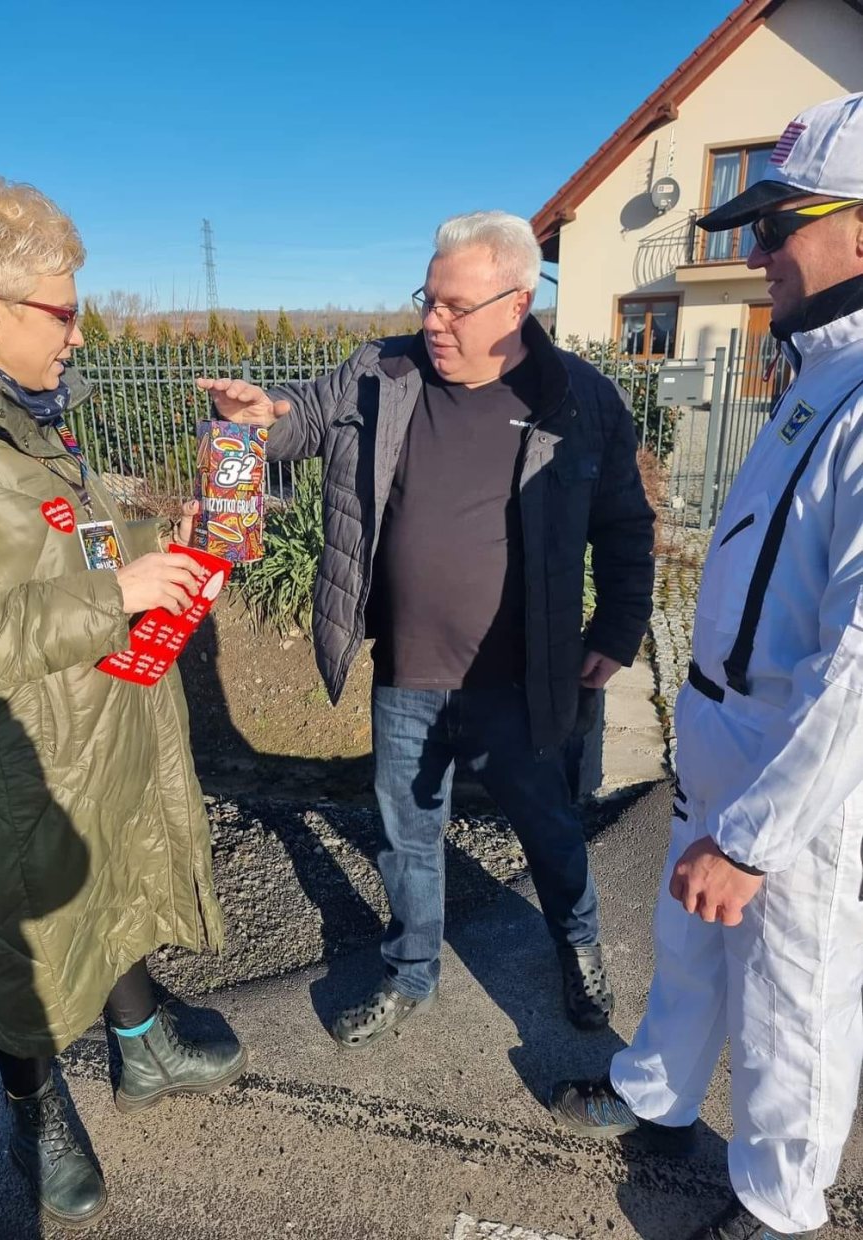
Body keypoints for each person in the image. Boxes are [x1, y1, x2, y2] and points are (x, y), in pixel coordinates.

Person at [198, 211, 654, 1048]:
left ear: (517, 305)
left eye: (455, 307)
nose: (433, 321)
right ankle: (411, 972)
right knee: (406, 836)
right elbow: (305, 418)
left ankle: (579, 946)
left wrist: (618, 629)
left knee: (549, 826)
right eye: (428, 299)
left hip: (520, 676)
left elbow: (625, 526)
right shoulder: (384, 370)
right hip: (407, 670)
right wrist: (263, 412)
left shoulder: (578, 398)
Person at [549, 92, 863, 1240]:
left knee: (793, 990)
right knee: (689, 943)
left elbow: (859, 666)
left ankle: (780, 1204)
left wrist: (757, 838)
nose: (757, 252)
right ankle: (660, 1095)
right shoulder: (819, 376)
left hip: (801, 763)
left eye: (778, 225)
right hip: (726, 727)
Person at [0, 176, 246, 1231]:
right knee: (15, 941)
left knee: (111, 876)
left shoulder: (22, 415)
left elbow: (75, 543)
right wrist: (118, 596)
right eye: (63, 313)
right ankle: (37, 1112)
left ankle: (143, 1048)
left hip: (100, 714)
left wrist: (165, 546)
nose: (80, 334)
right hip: (13, 754)